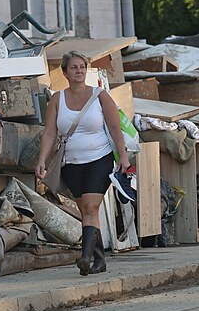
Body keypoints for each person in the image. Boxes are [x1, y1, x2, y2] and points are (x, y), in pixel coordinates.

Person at [35, 50, 130, 276]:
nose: (79, 71)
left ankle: (85, 257)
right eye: (74, 67)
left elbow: (116, 128)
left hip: (99, 158)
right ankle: (98, 260)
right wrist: (42, 160)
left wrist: (123, 156)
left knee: (90, 207)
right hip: (71, 162)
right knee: (87, 210)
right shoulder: (57, 99)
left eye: (82, 67)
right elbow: (49, 132)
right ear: (65, 72)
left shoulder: (100, 96)